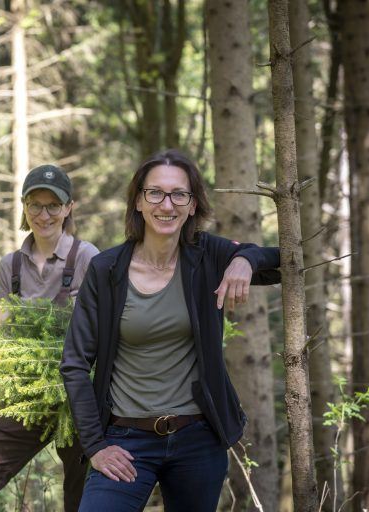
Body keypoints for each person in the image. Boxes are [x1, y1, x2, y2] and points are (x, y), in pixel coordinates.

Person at [60, 149, 281, 512]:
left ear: (193, 205)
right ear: (139, 202)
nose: (167, 204)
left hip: (197, 439)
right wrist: (96, 447)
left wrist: (244, 259)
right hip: (126, 439)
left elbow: (282, 260)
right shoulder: (107, 270)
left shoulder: (207, 255)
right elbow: (74, 363)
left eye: (179, 194)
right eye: (156, 193)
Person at [0, 164, 99, 512]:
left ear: (69, 207)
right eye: (35, 205)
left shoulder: (87, 257)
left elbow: (105, 327)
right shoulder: (9, 266)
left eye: (53, 205)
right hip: (29, 398)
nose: (44, 214)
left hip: (80, 400)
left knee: (86, 495)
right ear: (24, 207)